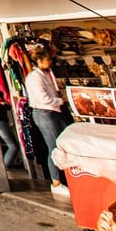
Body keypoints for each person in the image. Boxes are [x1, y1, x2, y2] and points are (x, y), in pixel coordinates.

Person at [24, 43, 69, 196]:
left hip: (53, 111)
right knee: (53, 147)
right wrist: (61, 100)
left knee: (64, 142)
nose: (50, 62)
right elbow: (43, 99)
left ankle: (65, 177)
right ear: (40, 61)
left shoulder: (46, 74)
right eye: (47, 59)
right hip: (44, 112)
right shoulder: (34, 77)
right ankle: (56, 182)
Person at [0, 99, 22, 169]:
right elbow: (6, 107)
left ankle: (3, 167)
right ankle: (3, 167)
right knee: (13, 147)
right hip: (0, 121)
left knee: (11, 147)